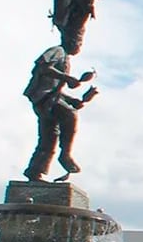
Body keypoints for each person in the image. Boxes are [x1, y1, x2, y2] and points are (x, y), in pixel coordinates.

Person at [20, 39, 98, 182]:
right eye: (78, 41)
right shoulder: (58, 51)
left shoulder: (65, 58)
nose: (79, 46)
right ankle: (65, 154)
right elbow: (43, 68)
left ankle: (34, 171)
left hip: (48, 99)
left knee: (49, 137)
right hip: (43, 98)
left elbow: (54, 89)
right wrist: (66, 78)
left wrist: (71, 100)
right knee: (70, 115)